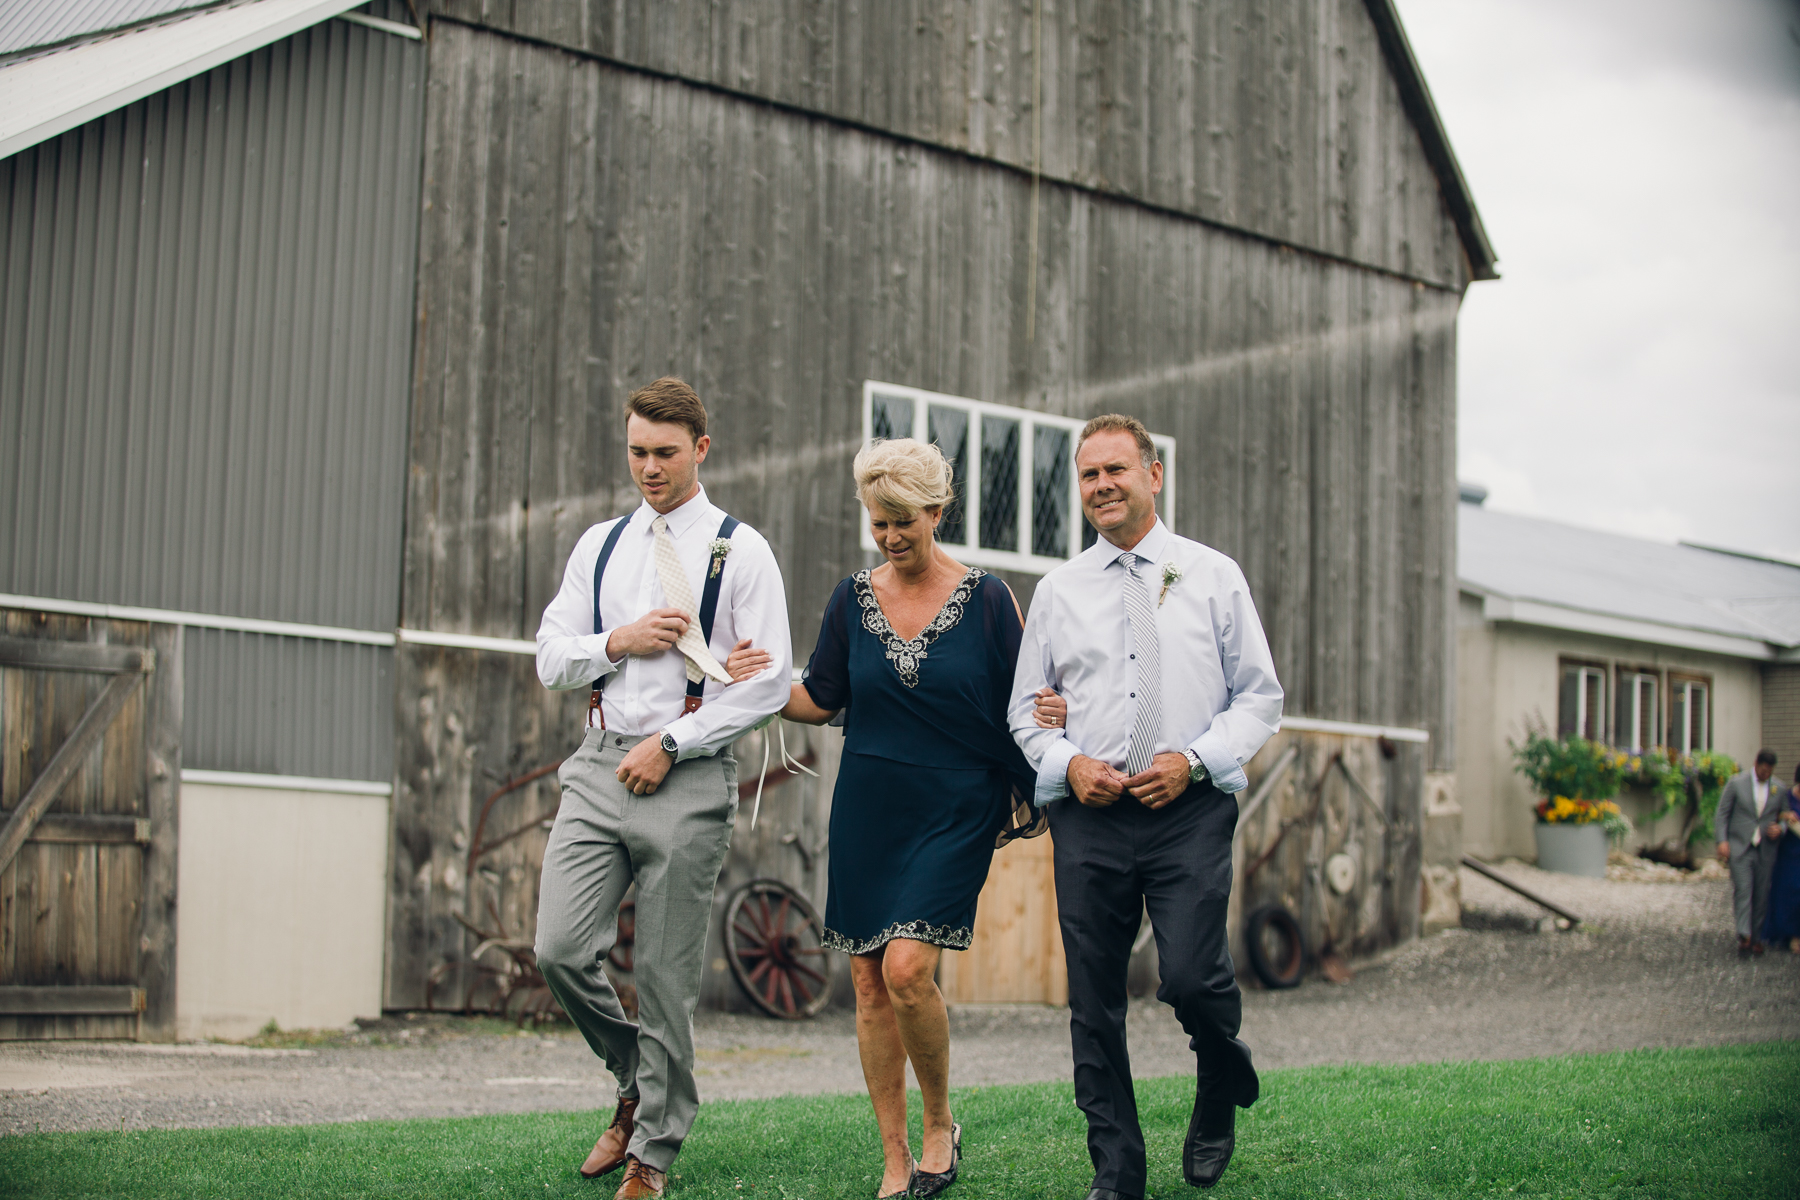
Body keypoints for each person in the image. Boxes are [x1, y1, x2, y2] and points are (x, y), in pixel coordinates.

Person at [727, 437, 1036, 1200]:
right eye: (879, 522)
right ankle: (896, 1156)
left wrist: (1051, 738)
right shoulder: (849, 599)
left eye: (903, 520)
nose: (891, 536)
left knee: (906, 968)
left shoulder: (990, 600)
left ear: (937, 511)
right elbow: (820, 699)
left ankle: (940, 1125)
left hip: (957, 802)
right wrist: (760, 680)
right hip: (870, 802)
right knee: (867, 981)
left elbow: (1028, 700)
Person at [1009, 414, 1282, 1199]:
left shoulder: (1214, 575)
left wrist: (1194, 762)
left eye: (1116, 470)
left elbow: (1260, 698)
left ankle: (1218, 1075)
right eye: (1089, 475)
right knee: (1094, 1004)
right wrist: (1071, 764)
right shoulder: (1058, 591)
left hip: (1188, 813)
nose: (1101, 486)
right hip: (1090, 819)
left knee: (1193, 979)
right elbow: (1026, 710)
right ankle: (1117, 1172)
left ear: (1153, 475)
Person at [532, 378, 793, 1199]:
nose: (649, 467)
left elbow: (770, 682)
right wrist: (621, 639)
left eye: (666, 453)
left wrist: (675, 739)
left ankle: (654, 1150)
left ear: (701, 450)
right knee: (559, 951)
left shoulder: (739, 550)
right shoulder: (602, 546)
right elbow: (550, 656)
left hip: (687, 773)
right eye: (638, 450)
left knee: (667, 978)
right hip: (599, 762)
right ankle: (638, 1077)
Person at [1716, 750, 1789, 958]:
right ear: (1756, 764)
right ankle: (1744, 934)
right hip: (1740, 846)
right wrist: (1722, 840)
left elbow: (1784, 815)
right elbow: (1722, 812)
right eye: (1763, 769)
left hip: (1766, 848)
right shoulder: (1736, 783)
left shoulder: (1779, 788)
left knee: (1761, 894)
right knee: (1743, 890)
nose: (1765, 773)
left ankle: (1757, 937)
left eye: (1769, 771)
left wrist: (1781, 828)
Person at [1759, 764, 1800, 953]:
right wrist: (1783, 819)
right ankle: (1788, 934)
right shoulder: (1786, 795)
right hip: (1788, 853)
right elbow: (1772, 815)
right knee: (1787, 892)